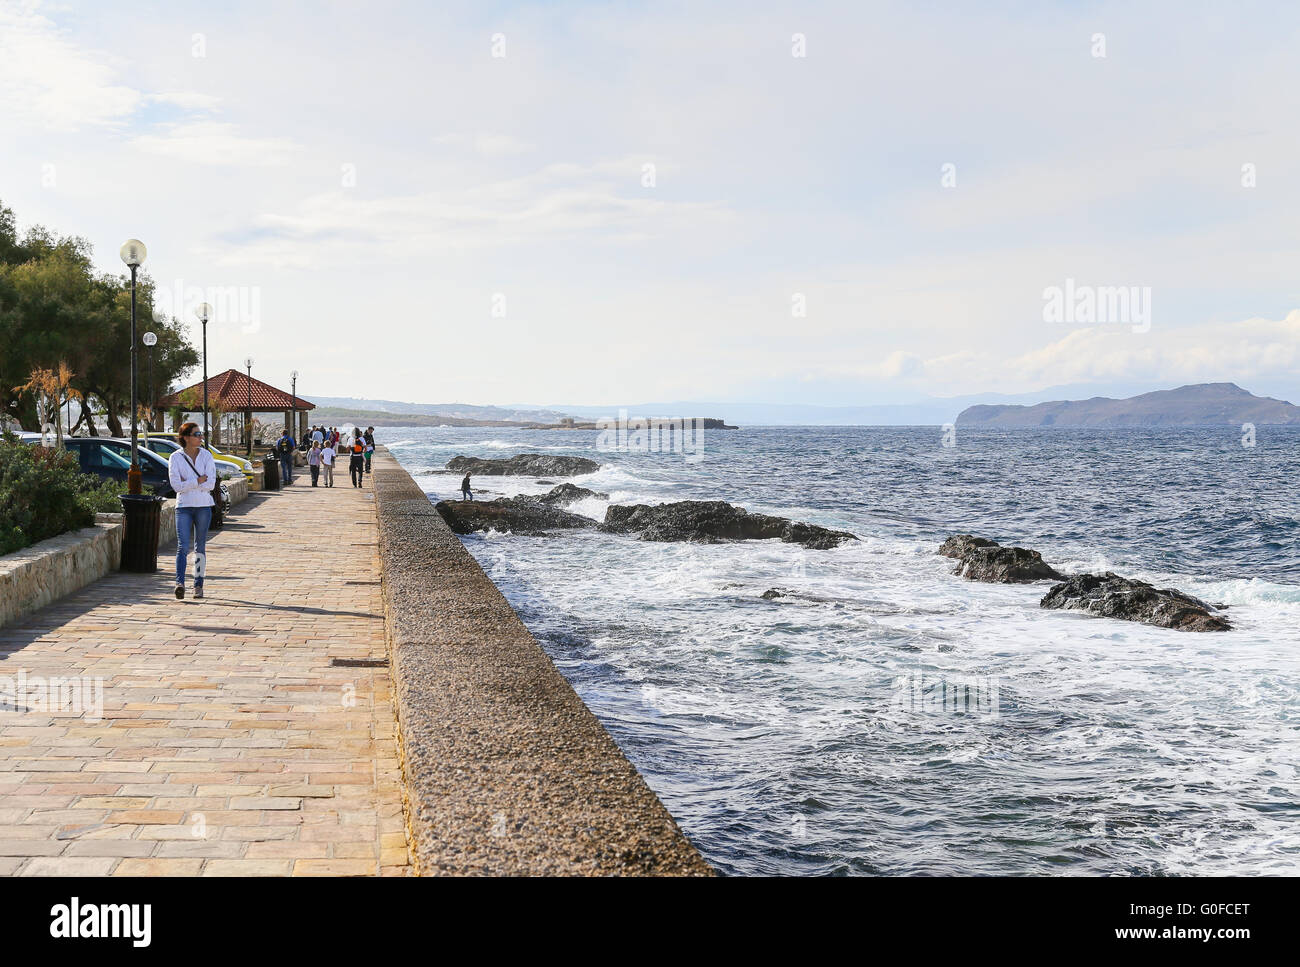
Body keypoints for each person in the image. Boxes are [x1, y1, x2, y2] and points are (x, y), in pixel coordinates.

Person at [168, 421, 216, 600]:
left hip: (203, 506)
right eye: (197, 434)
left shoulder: (207, 456)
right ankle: (179, 583)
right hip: (184, 507)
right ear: (186, 438)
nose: (201, 437)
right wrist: (197, 481)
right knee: (182, 547)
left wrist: (191, 483)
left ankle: (198, 585)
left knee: (200, 548)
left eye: (201, 433)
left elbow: (211, 483)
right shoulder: (176, 457)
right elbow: (176, 486)